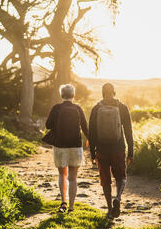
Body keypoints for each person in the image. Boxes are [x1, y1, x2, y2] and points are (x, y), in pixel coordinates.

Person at [89, 83, 133, 218]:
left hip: (101, 150)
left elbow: (92, 133)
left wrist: (92, 152)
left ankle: (109, 209)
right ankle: (118, 198)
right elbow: (128, 132)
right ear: (114, 92)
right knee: (121, 176)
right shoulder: (123, 108)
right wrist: (131, 152)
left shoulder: (96, 109)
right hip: (118, 148)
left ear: (102, 93)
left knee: (105, 180)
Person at [45, 83, 89, 213]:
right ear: (73, 95)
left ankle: (63, 202)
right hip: (75, 146)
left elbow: (48, 125)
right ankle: (71, 207)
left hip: (60, 145)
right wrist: (90, 140)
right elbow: (85, 127)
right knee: (73, 177)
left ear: (61, 95)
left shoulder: (56, 108)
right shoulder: (78, 108)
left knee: (62, 175)